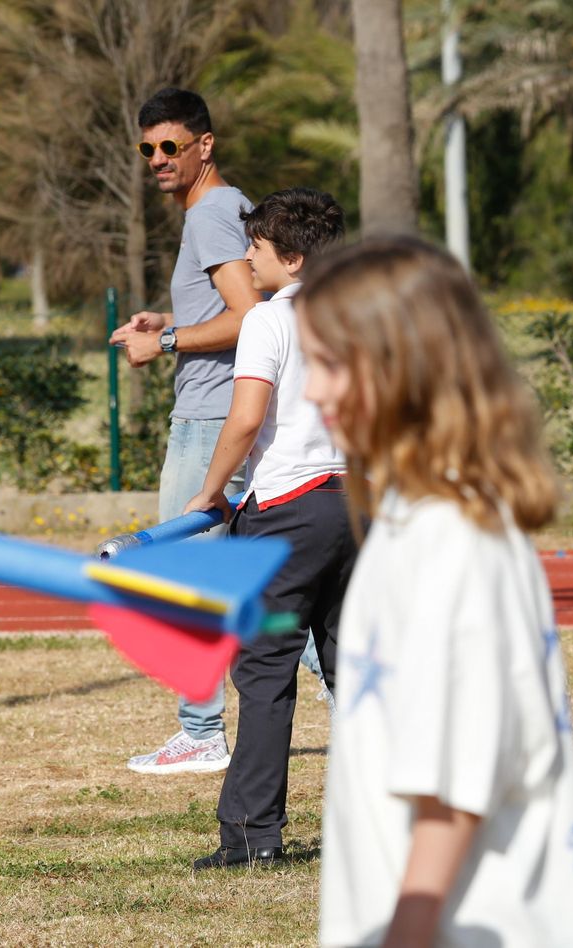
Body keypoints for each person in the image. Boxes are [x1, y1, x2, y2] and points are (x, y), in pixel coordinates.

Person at [296, 237, 573, 945]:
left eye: (327, 365)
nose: (311, 390)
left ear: (401, 366)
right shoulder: (417, 521)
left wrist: (408, 928)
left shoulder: (452, 539)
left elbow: (456, 783)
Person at [181, 187, 353, 870]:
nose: (246, 259)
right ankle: (403, 818)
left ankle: (252, 839)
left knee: (265, 674)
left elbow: (248, 418)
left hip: (286, 512)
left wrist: (210, 491)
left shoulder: (268, 321)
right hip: (355, 503)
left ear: (293, 256)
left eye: (255, 248)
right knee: (356, 671)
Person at [113, 87, 258, 774]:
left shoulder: (212, 213)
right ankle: (352, 696)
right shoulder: (218, 211)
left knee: (180, 575)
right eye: (148, 149)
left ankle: (201, 733)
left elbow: (249, 316)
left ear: (206, 145)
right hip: (224, 410)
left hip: (210, 418)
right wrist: (163, 324)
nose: (158, 159)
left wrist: (166, 346)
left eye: (172, 146)